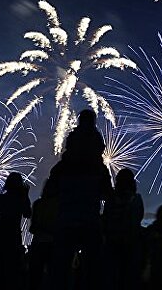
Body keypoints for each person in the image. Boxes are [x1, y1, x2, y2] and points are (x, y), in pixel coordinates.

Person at [49, 110, 113, 290]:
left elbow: (49, 192)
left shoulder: (63, 166)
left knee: (61, 267)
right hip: (89, 218)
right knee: (92, 266)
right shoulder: (99, 168)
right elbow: (109, 196)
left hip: (66, 219)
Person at [102, 168, 145, 290]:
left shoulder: (111, 200)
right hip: (131, 243)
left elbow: (106, 218)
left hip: (112, 242)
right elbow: (138, 218)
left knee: (112, 277)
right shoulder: (136, 199)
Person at [0, 172, 32, 288]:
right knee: (12, 268)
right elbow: (27, 214)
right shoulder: (20, 200)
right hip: (13, 235)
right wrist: (25, 196)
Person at [29, 179, 59, 290]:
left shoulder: (38, 204)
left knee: (36, 276)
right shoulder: (60, 205)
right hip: (54, 244)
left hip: (39, 243)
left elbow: (32, 227)